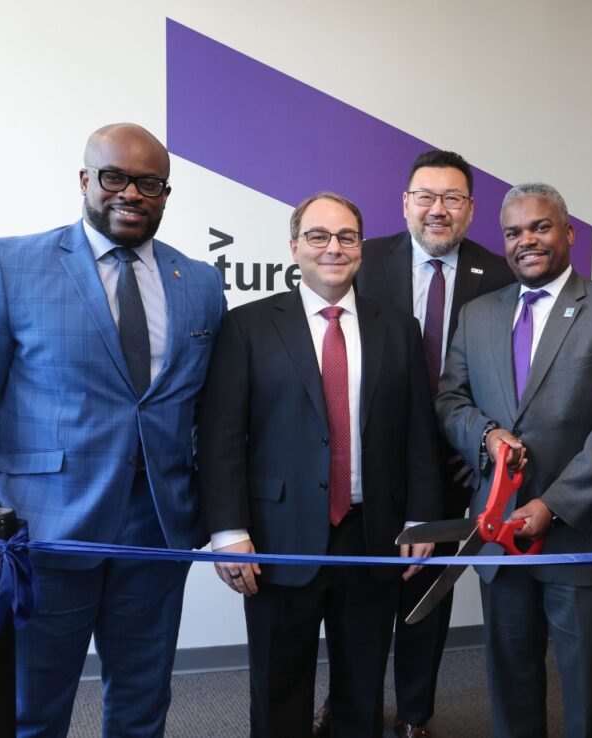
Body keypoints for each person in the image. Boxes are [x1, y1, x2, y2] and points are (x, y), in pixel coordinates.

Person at [0, 123, 227, 737]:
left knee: (142, 706)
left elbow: (207, 412)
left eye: (149, 183)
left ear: (166, 194)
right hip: (41, 534)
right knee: (32, 710)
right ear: (86, 180)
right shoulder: (6, 264)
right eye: (115, 178)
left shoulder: (201, 283)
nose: (130, 194)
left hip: (156, 534)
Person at [198, 192, 442, 738]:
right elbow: (220, 438)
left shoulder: (397, 327)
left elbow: (418, 433)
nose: (333, 248)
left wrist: (423, 514)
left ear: (361, 247)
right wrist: (229, 529)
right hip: (277, 537)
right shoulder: (249, 326)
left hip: (370, 534)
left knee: (361, 688)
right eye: (318, 236)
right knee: (279, 686)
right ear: (294, 247)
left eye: (346, 237)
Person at [436, 182, 592, 738]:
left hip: (580, 538)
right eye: (514, 232)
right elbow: (451, 400)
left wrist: (551, 506)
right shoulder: (477, 314)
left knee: (585, 691)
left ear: (569, 234)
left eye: (540, 227)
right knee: (510, 682)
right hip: (498, 535)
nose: (526, 241)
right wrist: (485, 434)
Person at [314, 149, 512, 738]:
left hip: (454, 465)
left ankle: (415, 714)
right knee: (357, 604)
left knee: (428, 599)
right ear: (404, 204)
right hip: (367, 465)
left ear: (471, 209)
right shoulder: (360, 261)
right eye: (425, 195)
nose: (438, 209)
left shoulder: (499, 275)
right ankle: (348, 704)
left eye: (453, 198)